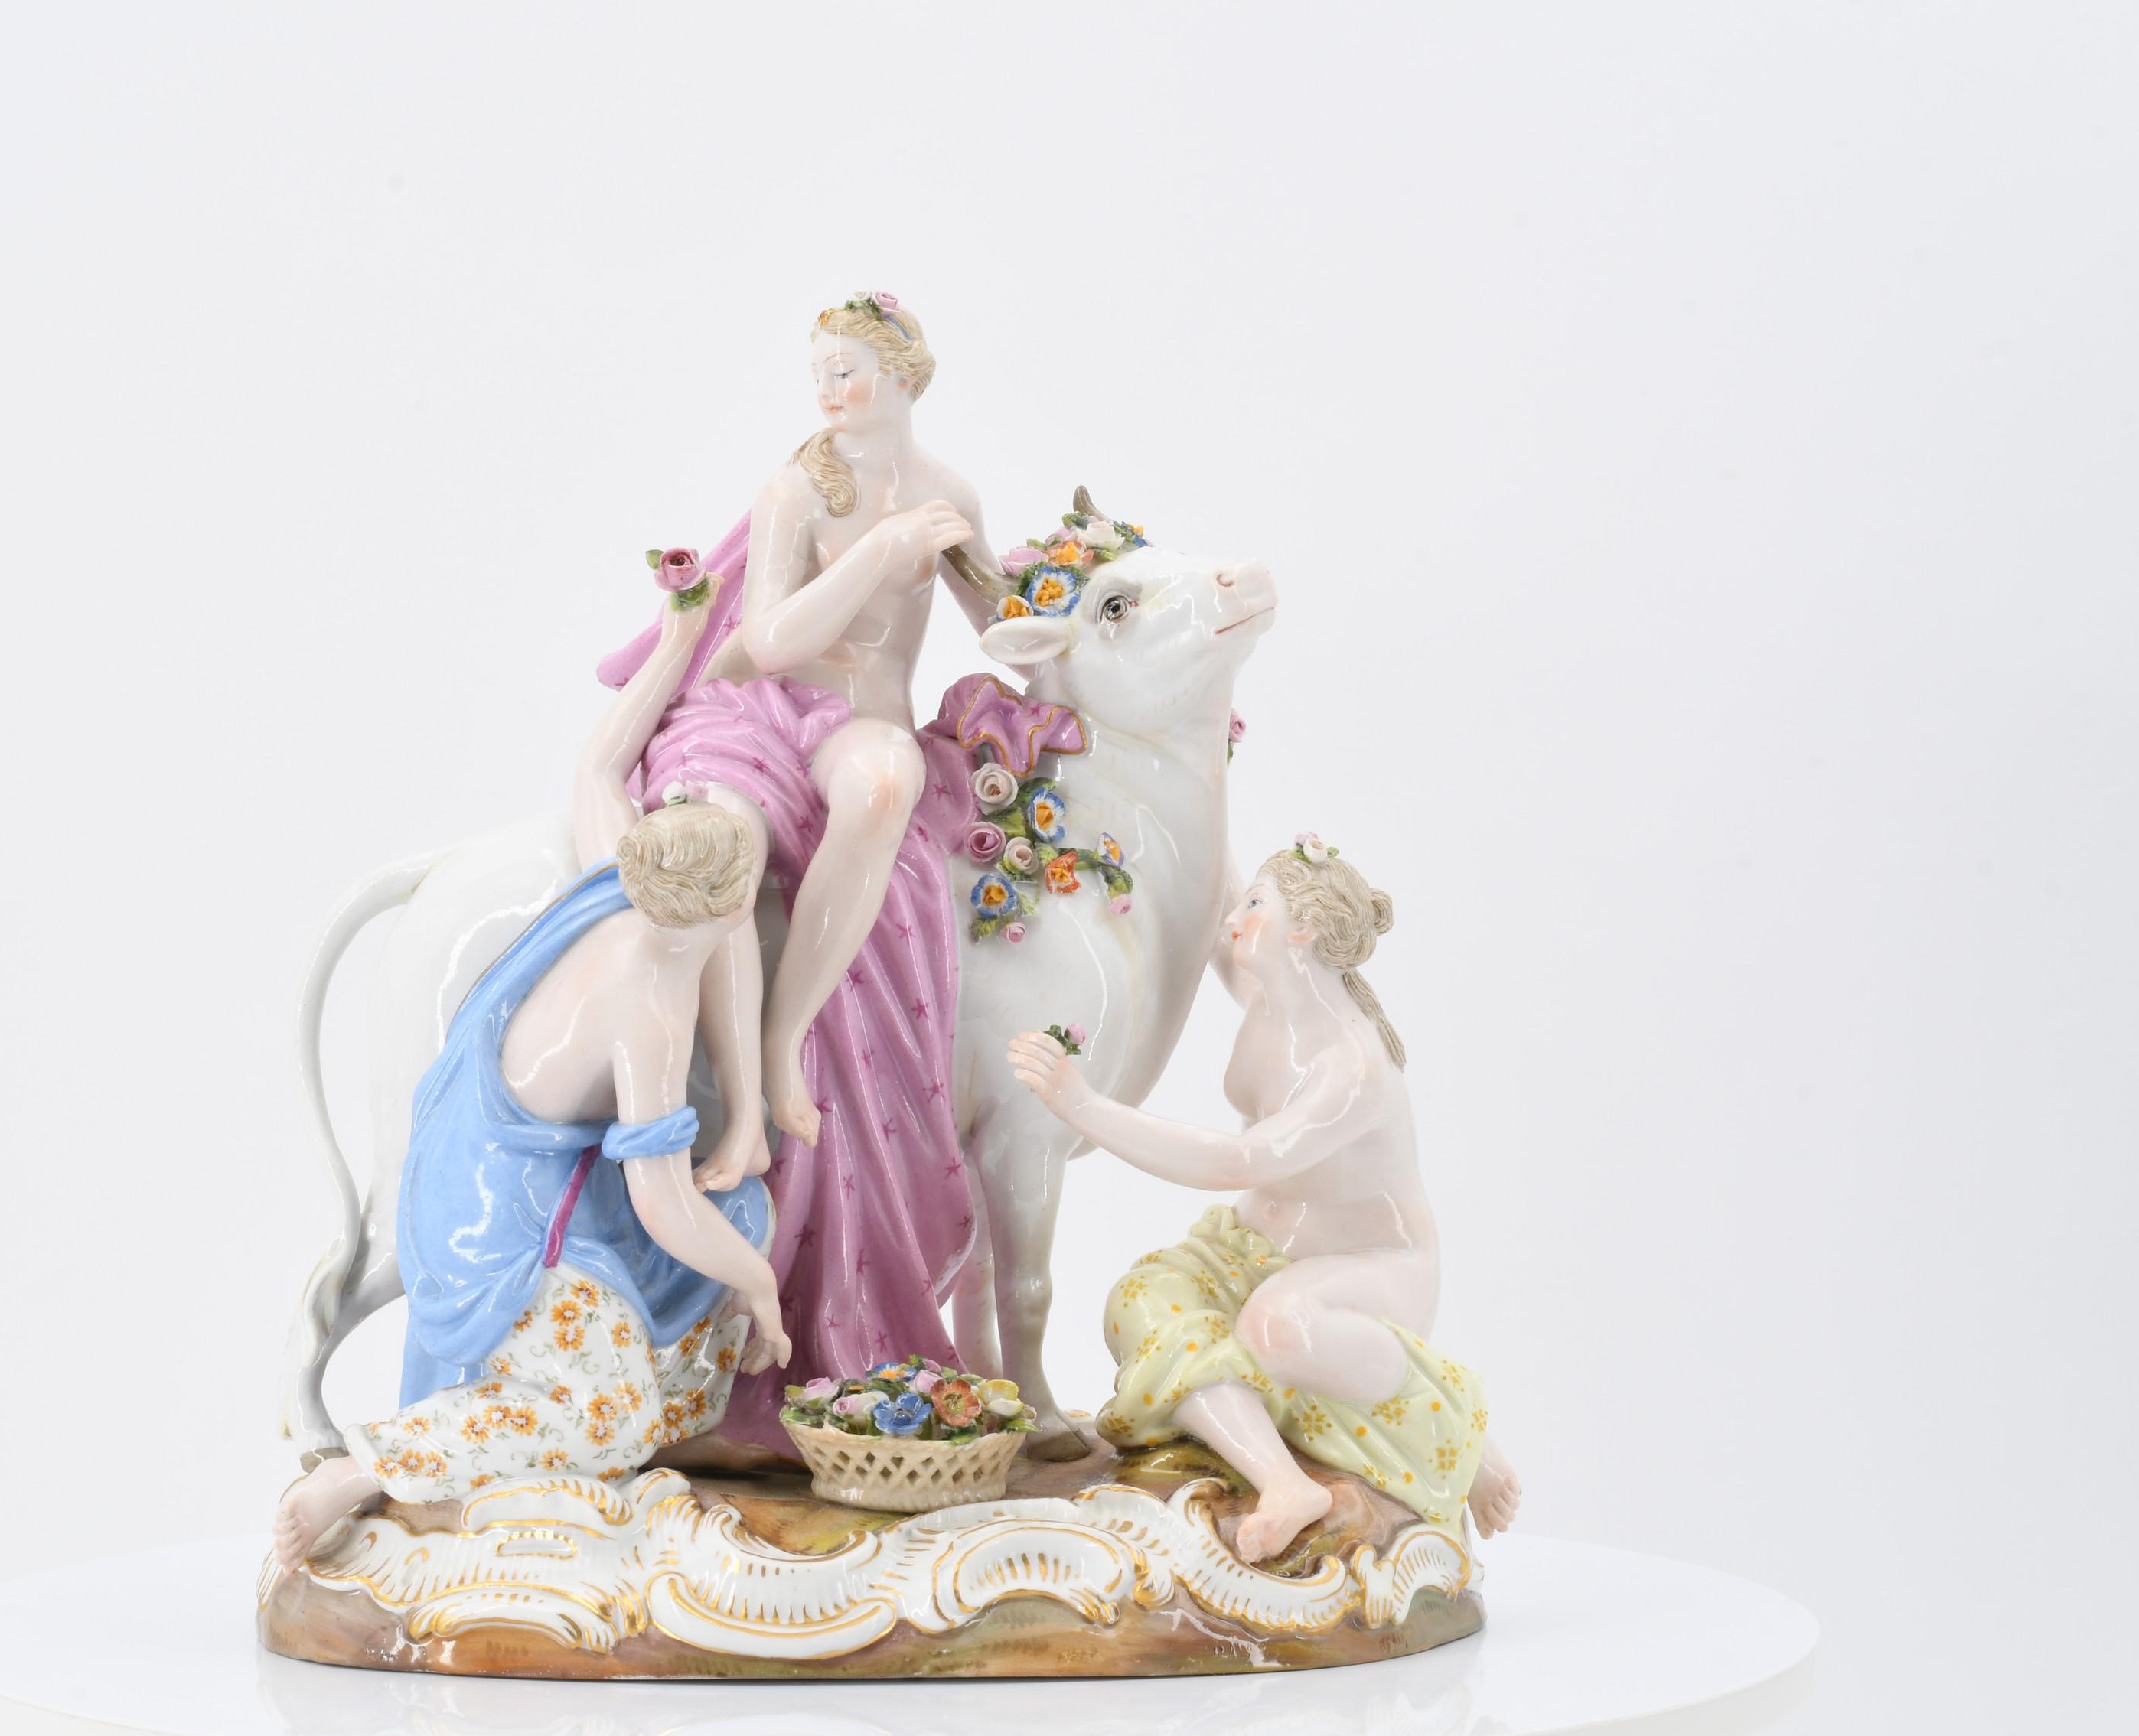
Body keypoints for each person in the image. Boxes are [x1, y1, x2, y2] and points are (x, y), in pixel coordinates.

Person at [274, 599, 789, 1568]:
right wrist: (759, 1287)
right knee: (613, 1411)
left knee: (740, 1216)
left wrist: (678, 641)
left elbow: (599, 765)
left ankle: (659, 1411)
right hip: (504, 1210)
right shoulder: (652, 998)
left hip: (556, 1167)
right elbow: (661, 1197)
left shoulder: (617, 879)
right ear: (723, 914)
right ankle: (370, 1466)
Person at [595, 293, 1007, 1447]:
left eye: (849, 370)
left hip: (861, 727)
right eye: (819, 370)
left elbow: (998, 621)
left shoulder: (951, 494)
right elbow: (772, 640)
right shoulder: (799, 491)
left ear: (904, 376)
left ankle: (786, 1039)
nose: (828, 390)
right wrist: (881, 548)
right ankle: (746, 1093)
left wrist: (1048, 607)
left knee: (882, 787)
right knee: (722, 845)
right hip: (762, 713)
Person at [1006, 837, 1521, 1562]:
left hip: (1372, 1267)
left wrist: (1084, 1107)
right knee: (1141, 1306)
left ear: (1302, 929)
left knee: (1279, 1330)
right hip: (1252, 1249)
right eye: (1245, 903)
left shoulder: (1351, 1067)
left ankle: (1458, 1427)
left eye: (1257, 906)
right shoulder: (1268, 999)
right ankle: (1282, 1482)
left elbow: (1242, 1160)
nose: (1236, 919)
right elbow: (1218, 879)